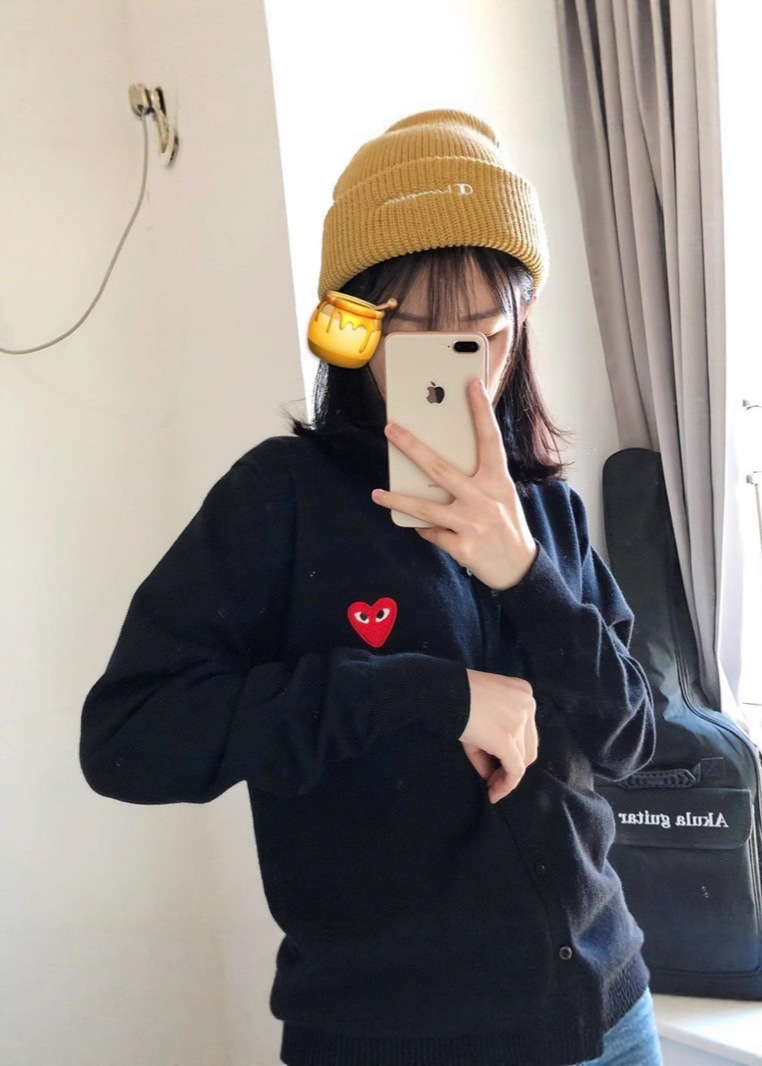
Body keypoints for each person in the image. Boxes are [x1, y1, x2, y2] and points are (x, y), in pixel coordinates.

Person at [80, 110, 661, 1066]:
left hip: (609, 1014)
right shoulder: (280, 499)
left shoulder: (546, 514)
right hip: (388, 1039)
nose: (460, 364)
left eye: (485, 330)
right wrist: (427, 694)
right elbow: (128, 741)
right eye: (419, 331)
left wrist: (524, 574)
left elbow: (630, 739)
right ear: (354, 330)